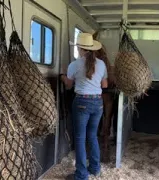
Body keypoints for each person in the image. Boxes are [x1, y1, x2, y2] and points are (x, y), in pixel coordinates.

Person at [61, 33, 108, 180]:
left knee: (80, 138)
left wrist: (62, 76)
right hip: (98, 103)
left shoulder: (74, 65)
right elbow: (104, 85)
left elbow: (68, 86)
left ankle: (81, 175)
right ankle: (95, 168)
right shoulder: (101, 64)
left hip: (81, 102)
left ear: (80, 48)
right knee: (92, 135)